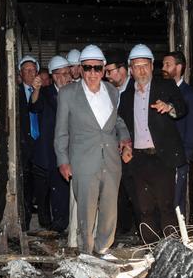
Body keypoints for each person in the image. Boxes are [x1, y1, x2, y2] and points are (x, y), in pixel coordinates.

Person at [54, 44, 132, 255]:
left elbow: (117, 121)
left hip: (111, 160)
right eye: (87, 68)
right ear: (81, 68)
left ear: (103, 69)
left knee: (109, 210)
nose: (92, 73)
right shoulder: (68, 94)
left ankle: (103, 248)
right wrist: (63, 160)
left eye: (97, 68)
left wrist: (125, 138)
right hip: (83, 161)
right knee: (85, 212)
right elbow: (61, 130)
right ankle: (86, 253)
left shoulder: (112, 92)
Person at [118, 44, 187, 244]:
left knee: (166, 206)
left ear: (151, 66)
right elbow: (121, 124)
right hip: (139, 159)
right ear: (131, 70)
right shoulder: (126, 96)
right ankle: (151, 249)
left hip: (162, 157)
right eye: (137, 66)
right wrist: (125, 144)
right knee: (144, 208)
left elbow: (183, 108)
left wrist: (169, 107)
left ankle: (173, 251)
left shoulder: (165, 86)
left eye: (145, 66)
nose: (141, 70)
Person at [30, 56, 72, 233]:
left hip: (73, 147)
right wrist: (36, 90)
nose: (65, 77)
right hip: (51, 150)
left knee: (68, 189)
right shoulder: (46, 93)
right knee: (55, 189)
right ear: (53, 76)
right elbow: (34, 107)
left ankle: (67, 224)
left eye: (67, 73)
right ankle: (56, 226)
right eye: (60, 74)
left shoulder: (76, 91)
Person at [161, 51, 193, 218]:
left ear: (179, 67)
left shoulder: (191, 95)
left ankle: (178, 237)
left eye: (167, 65)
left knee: (176, 201)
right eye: (163, 65)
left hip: (180, 156)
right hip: (162, 156)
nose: (163, 68)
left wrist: (186, 155)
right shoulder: (160, 92)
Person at [105, 49, 138, 235]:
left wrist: (129, 144)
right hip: (113, 151)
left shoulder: (137, 89)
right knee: (117, 193)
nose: (107, 76)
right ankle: (121, 231)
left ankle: (139, 231)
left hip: (134, 151)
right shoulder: (107, 91)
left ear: (123, 70)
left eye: (110, 71)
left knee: (136, 192)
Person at [17, 55, 43, 228]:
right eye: (26, 70)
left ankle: (43, 220)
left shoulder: (44, 91)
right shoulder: (15, 91)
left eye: (33, 70)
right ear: (20, 73)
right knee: (25, 185)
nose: (30, 73)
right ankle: (25, 222)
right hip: (23, 145)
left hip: (40, 145)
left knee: (40, 185)